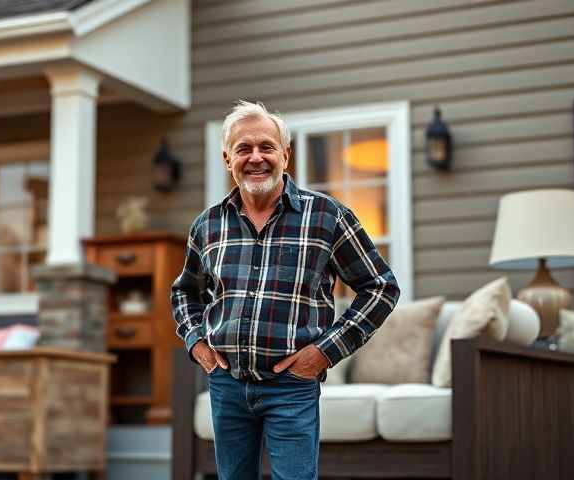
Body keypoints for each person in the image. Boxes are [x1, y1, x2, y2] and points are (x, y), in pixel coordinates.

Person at [170, 100, 401, 480]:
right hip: (227, 385)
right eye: (244, 149)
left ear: (285, 155)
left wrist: (323, 353)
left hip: (291, 387)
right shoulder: (207, 225)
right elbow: (185, 293)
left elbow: (380, 287)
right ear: (228, 159)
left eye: (267, 147)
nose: (256, 157)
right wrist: (198, 344)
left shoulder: (327, 217)